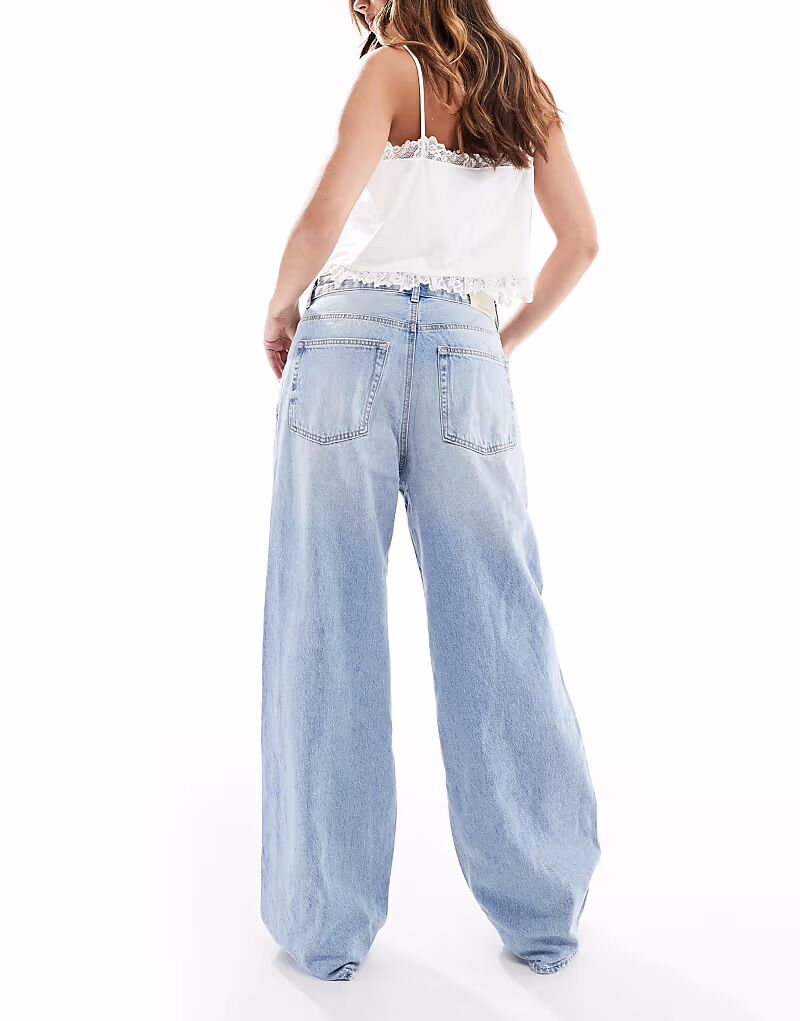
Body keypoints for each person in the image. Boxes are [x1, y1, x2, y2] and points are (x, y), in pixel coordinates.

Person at [261, 0, 600, 983]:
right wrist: (492, 343)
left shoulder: (390, 72)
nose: (358, 12)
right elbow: (580, 242)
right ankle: (541, 910)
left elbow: (324, 217)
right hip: (465, 347)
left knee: (324, 622)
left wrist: (278, 308)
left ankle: (325, 926)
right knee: (497, 617)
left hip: (347, 343)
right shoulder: (520, 87)